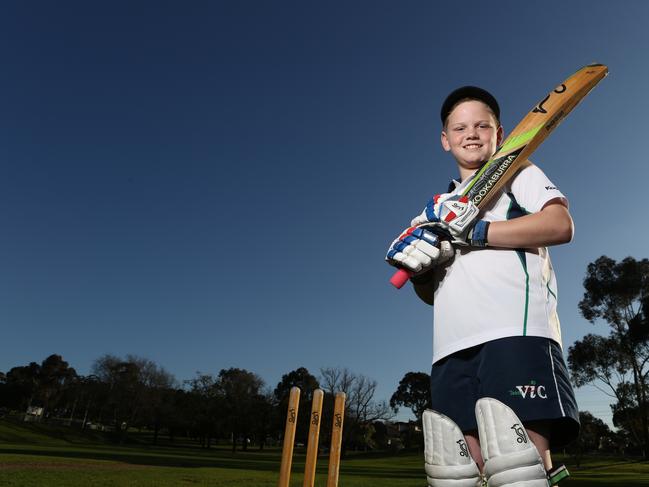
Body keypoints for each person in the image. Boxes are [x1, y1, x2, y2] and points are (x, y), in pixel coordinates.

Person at [386, 86, 579, 485]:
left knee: (518, 467)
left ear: (500, 132)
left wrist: (478, 230)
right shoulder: (434, 210)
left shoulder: (520, 173)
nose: (470, 134)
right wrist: (423, 269)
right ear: (445, 139)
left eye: (481, 125)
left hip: (515, 332)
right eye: (459, 128)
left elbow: (560, 226)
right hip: (451, 347)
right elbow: (429, 294)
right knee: (460, 474)